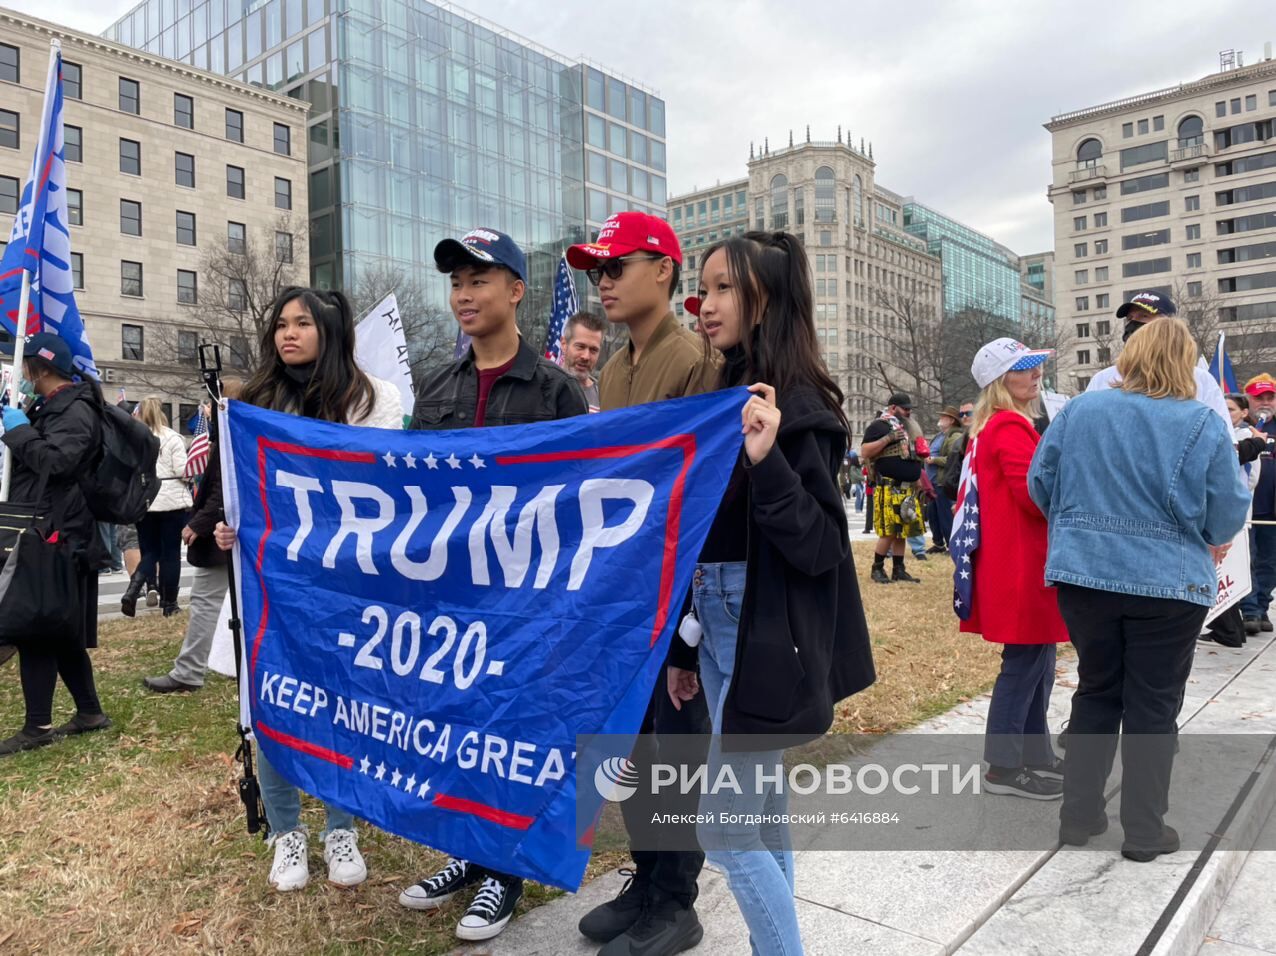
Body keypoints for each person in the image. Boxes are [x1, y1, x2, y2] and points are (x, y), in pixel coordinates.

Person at [670, 230, 875, 955]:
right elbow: (706, 531)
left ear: (768, 297)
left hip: (766, 626)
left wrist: (767, 459)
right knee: (764, 814)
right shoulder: (721, 388)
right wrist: (686, 638)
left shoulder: (798, 404)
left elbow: (821, 544)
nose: (707, 302)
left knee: (721, 827)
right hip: (721, 613)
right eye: (704, 286)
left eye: (726, 287)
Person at [398, 229, 587, 943]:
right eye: (456, 283)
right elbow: (409, 493)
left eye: (479, 280)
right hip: (451, 602)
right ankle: (469, 853)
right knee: (457, 729)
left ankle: (504, 870)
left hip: (526, 607)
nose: (464, 295)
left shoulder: (555, 390)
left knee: (511, 733)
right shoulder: (437, 386)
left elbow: (582, 500)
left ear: (515, 290)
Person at [1030, 318, 1250, 861]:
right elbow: (1226, 514)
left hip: (1085, 575)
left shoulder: (1081, 410)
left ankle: (1078, 817)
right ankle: (1146, 831)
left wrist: (1078, 525)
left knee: (1096, 691)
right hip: (1168, 581)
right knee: (1153, 705)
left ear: (1128, 357)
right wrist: (1205, 533)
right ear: (1186, 365)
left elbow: (1041, 483)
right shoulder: (1201, 421)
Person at [213, 287, 402, 891]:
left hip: (348, 581)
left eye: (302, 323)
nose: (287, 334)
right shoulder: (257, 401)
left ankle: (340, 826)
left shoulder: (373, 398)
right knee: (273, 701)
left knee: (342, 701)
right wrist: (227, 527)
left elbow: (385, 486)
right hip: (275, 581)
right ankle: (285, 834)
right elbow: (238, 487)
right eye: (280, 324)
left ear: (330, 330)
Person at [568, 211, 718, 956]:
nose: (604, 280)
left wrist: (691, 625)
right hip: (626, 591)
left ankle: (676, 901)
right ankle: (646, 876)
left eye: (616, 265)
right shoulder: (619, 366)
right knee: (636, 743)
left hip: (674, 589)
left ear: (663, 268)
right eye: (597, 269)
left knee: (675, 745)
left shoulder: (692, 360)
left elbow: (701, 496)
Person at [959, 338, 1069, 799]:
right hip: (1022, 566)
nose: (1036, 374)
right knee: (1024, 665)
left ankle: (1034, 753)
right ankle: (1003, 768)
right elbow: (1034, 496)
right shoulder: (1008, 426)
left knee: (1039, 663)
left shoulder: (1004, 425)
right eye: (1025, 368)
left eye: (1036, 366)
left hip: (1024, 563)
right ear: (1002, 381)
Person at [0, 333, 113, 755]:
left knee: (34, 627)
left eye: (25, 366)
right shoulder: (53, 407)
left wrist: (20, 433)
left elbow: (58, 462)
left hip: (56, 531)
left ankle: (37, 727)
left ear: (40, 369)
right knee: (60, 629)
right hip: (48, 524)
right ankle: (90, 713)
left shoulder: (76, 410)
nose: (22, 374)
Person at [143, 379, 244, 693]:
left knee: (204, 601)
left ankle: (188, 672)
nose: (206, 409)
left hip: (223, 533)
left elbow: (224, 492)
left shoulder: (232, 438)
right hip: (230, 532)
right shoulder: (229, 436)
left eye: (211, 403)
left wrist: (196, 524)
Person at [1086, 291, 1229, 425]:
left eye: (1144, 316)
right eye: (1130, 318)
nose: (1133, 324)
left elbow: (1224, 439)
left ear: (1167, 325)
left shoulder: (1200, 379)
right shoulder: (1104, 378)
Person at [1201, 393, 1266, 648]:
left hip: (1231, 513)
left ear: (1243, 412)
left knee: (1228, 569)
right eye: (1223, 408)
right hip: (1220, 511)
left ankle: (1234, 625)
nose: (1226, 413)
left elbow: (1247, 473)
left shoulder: (1244, 437)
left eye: (1231, 409)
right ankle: (1230, 627)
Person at [122, 397, 191, 617]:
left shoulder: (134, 440)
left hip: (145, 501)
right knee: (170, 554)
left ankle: (134, 589)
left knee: (150, 551)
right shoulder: (172, 438)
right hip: (171, 501)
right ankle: (170, 603)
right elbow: (182, 470)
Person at [861, 393, 924, 584]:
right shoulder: (879, 425)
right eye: (905, 408)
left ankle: (899, 569)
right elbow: (865, 451)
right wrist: (888, 438)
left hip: (907, 488)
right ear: (893, 408)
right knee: (889, 531)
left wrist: (918, 479)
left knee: (902, 531)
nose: (908, 412)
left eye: (909, 409)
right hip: (888, 486)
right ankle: (877, 568)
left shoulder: (908, 427)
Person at [1241, 373, 1276, 635]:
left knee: (1270, 562)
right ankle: (1250, 611)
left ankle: (1262, 606)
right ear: (1248, 401)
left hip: (1272, 509)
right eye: (1258, 398)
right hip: (1248, 508)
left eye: (1270, 397)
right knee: (1248, 560)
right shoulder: (1241, 427)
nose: (1264, 402)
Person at [924, 406, 961, 553]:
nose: (940, 419)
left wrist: (934, 460)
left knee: (946, 516)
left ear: (951, 420)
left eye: (943, 417)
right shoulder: (940, 435)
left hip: (942, 482)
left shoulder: (955, 437)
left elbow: (953, 459)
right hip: (932, 483)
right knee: (933, 516)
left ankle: (951, 545)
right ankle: (938, 543)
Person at [561, 310, 605, 411]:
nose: (586, 356)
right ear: (564, 344)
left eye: (593, 350)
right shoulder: (542, 390)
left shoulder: (605, 397)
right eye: (580, 347)